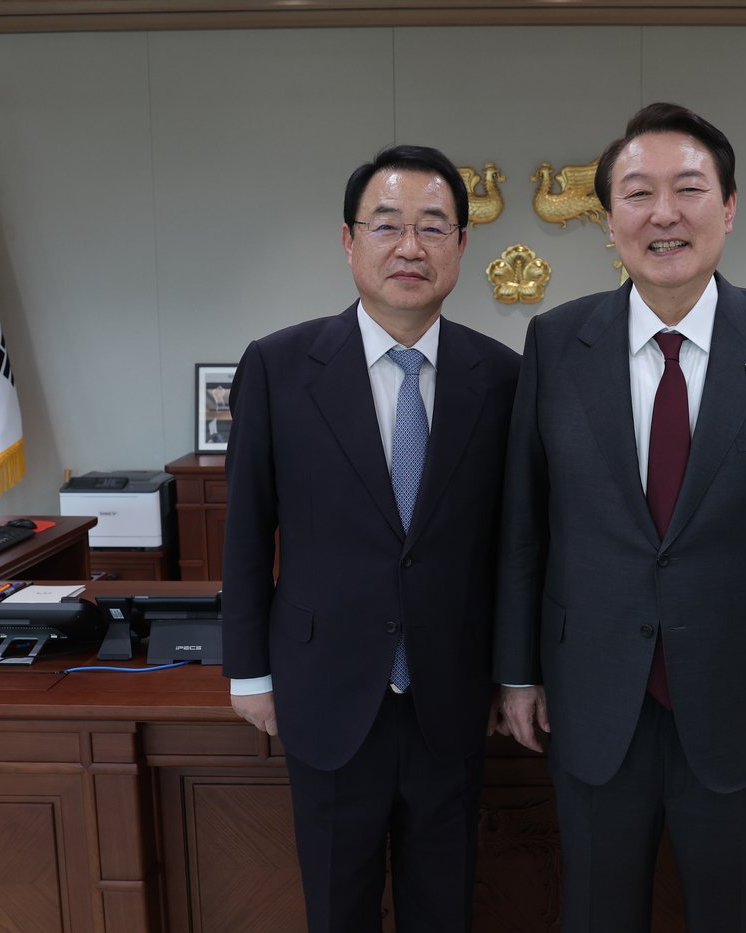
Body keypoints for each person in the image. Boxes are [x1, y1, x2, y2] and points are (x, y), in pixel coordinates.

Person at [493, 103, 746, 932]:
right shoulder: (557, 342)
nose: (664, 213)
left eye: (689, 189)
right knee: (595, 912)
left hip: (743, 693)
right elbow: (526, 525)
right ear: (609, 221)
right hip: (590, 695)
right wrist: (517, 670)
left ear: (729, 208)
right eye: (637, 193)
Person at [223, 144, 520, 933]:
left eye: (433, 226)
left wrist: (514, 668)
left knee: (443, 907)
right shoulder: (279, 366)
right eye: (387, 225)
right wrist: (247, 671)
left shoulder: (502, 377)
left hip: (453, 698)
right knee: (337, 908)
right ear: (349, 241)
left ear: (460, 244)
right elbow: (247, 531)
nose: (410, 247)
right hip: (322, 694)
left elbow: (517, 546)